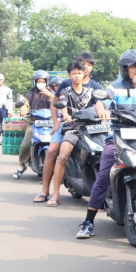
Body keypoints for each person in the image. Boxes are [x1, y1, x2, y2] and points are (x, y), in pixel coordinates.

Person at [77, 50, 136, 239]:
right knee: (104, 175)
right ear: (125, 69)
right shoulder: (113, 88)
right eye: (134, 67)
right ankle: (88, 222)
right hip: (118, 138)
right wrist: (101, 110)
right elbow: (100, 102)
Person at [47, 61, 97, 207]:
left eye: (79, 73)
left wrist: (103, 111)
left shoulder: (91, 92)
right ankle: (55, 193)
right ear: (69, 75)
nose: (77, 76)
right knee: (62, 156)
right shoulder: (65, 91)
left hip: (91, 128)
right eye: (74, 74)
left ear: (84, 74)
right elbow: (62, 104)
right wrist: (65, 114)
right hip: (72, 128)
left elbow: (101, 104)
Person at [13, 70, 56, 179]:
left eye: (43, 81)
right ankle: (21, 166)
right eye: (38, 81)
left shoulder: (52, 93)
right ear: (34, 82)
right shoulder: (29, 94)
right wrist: (23, 110)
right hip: (34, 123)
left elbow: (56, 103)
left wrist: (49, 95)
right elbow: (25, 104)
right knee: (25, 145)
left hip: (50, 123)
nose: (41, 83)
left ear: (47, 82)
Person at [34, 77, 63, 203]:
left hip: (83, 125)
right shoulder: (31, 94)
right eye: (56, 86)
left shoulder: (93, 87)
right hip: (51, 123)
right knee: (52, 151)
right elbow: (57, 104)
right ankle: (45, 190)